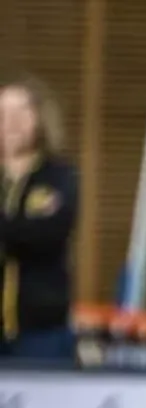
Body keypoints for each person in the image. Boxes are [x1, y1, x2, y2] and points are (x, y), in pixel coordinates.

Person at [0, 74, 78, 362]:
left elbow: (47, 236)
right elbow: (27, 232)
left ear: (39, 118)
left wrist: (9, 230)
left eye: (22, 111)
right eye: (3, 113)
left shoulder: (59, 177)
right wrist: (21, 224)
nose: (12, 122)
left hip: (42, 330)